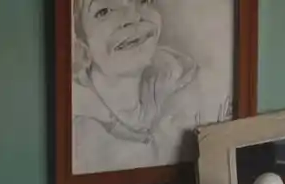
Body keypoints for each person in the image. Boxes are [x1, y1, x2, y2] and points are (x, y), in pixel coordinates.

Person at [70, 0, 232, 174]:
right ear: (80, 45)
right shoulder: (76, 128)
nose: (133, 16)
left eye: (143, 0)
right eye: (104, 12)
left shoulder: (195, 84)